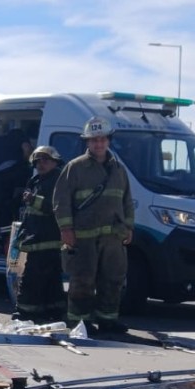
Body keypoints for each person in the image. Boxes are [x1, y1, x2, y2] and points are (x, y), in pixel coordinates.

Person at [52, 117, 134, 334]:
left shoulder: (119, 169)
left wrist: (128, 227)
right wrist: (66, 230)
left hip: (113, 239)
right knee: (83, 280)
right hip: (83, 238)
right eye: (94, 140)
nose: (98, 144)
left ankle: (108, 320)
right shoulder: (75, 167)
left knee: (113, 280)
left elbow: (127, 200)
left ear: (108, 141)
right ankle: (80, 322)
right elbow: (61, 201)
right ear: (87, 142)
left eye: (102, 139)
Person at [14, 145, 67, 322]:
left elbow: (55, 207)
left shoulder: (57, 181)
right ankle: (52, 311)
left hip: (46, 239)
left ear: (55, 162)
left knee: (32, 279)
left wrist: (33, 199)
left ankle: (26, 313)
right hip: (37, 238)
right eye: (38, 161)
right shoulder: (38, 180)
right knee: (50, 280)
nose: (41, 164)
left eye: (46, 160)